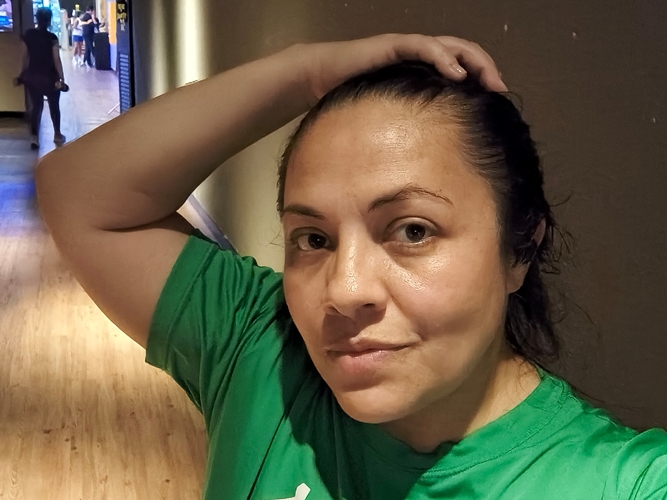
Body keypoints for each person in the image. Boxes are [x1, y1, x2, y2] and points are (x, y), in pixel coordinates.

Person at [35, 35, 667, 499]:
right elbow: (78, 192)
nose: (344, 289)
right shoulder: (263, 352)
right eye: (313, 239)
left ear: (519, 251)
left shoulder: (624, 482)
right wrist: (307, 72)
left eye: (413, 231)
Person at [18, 7, 66, 149]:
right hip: (50, 77)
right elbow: (56, 60)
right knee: (54, 106)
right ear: (49, 20)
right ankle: (57, 134)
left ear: (36, 19)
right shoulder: (52, 38)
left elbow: (24, 56)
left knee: (36, 106)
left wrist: (22, 73)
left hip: (33, 76)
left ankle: (34, 137)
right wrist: (62, 78)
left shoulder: (29, 34)